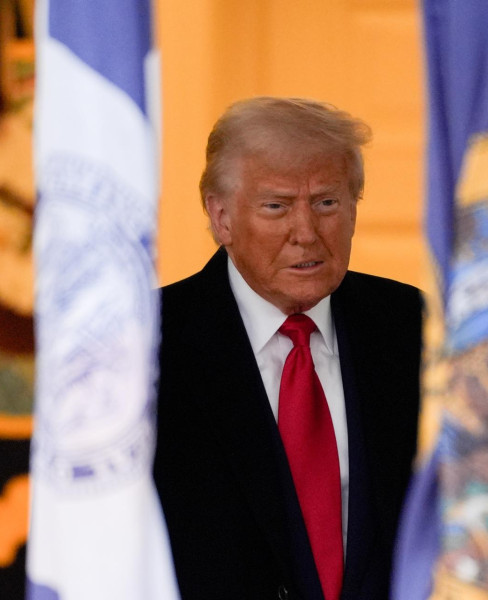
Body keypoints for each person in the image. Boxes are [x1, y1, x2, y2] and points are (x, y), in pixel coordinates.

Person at [153, 97, 423, 599]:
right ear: (222, 217)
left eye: (327, 202)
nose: (306, 233)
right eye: (276, 206)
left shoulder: (416, 327)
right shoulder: (148, 344)